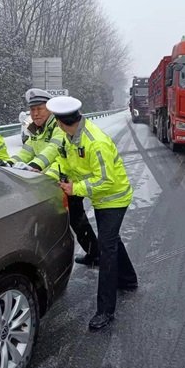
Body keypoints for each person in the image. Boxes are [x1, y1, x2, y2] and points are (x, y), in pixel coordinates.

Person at [46, 95, 138, 331]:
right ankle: (128, 280)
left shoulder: (95, 141)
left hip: (115, 198)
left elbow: (106, 180)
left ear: (59, 121)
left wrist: (75, 188)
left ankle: (105, 311)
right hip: (100, 198)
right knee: (112, 240)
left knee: (107, 249)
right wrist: (56, 175)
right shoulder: (70, 138)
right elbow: (65, 163)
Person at [11, 88, 64, 172]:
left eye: (39, 109)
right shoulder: (34, 127)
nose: (35, 114)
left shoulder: (60, 125)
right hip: (41, 176)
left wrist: (35, 165)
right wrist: (10, 163)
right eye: (32, 109)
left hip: (59, 177)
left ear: (50, 110)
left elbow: (53, 149)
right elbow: (26, 151)